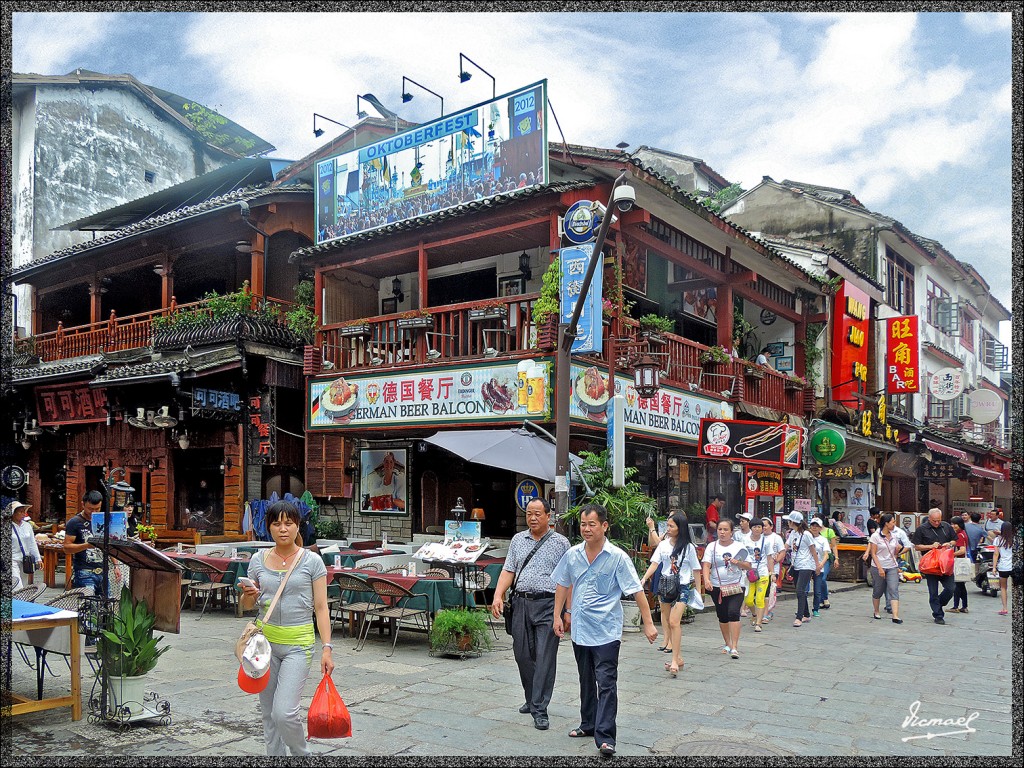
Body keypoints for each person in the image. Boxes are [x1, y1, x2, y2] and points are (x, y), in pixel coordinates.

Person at [552, 503, 657, 758]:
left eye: (592, 524)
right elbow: (563, 584)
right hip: (580, 629)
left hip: (607, 632)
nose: (586, 529)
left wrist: (649, 622)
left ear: (604, 526)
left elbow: (636, 590)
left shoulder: (617, 557)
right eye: (583, 525)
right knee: (586, 680)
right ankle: (588, 724)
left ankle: (606, 737)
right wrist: (558, 615)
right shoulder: (573, 554)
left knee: (606, 683)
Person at [239, 500, 334, 756]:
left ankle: (302, 755)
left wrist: (327, 647)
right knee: (269, 715)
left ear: (297, 526)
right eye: (277, 523)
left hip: (298, 645)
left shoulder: (312, 561)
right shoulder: (258, 560)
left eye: (289, 523)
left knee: (284, 713)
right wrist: (249, 593)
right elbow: (248, 605)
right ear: (268, 527)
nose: (283, 529)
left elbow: (322, 607)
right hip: (264, 646)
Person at [490, 498, 570, 730]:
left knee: (545, 657)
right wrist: (498, 595)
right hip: (521, 603)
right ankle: (531, 697)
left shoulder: (560, 543)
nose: (532, 518)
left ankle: (540, 707)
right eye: (529, 514)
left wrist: (568, 611)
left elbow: (568, 578)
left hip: (548, 605)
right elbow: (509, 570)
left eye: (537, 514)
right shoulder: (518, 540)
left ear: (548, 516)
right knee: (522, 654)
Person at [641, 512, 701, 677]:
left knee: (674, 622)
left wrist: (698, 591)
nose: (668, 529)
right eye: (667, 525)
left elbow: (696, 569)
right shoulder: (663, 545)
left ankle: (674, 660)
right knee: (667, 620)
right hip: (666, 584)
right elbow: (655, 563)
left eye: (671, 526)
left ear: (680, 528)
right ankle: (679, 657)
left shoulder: (689, 547)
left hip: (683, 585)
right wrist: (644, 578)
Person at [701, 518, 751, 659]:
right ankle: (727, 643)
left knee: (733, 612)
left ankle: (735, 647)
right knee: (722, 615)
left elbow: (749, 565)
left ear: (731, 532)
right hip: (717, 586)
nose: (722, 532)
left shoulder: (739, 546)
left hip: (736, 584)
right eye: (720, 529)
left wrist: (739, 562)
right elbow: (706, 565)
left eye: (725, 530)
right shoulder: (712, 546)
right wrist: (707, 580)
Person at [911, 508, 957, 625]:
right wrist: (931, 546)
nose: (937, 523)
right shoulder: (922, 529)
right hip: (930, 565)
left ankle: (938, 603)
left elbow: (954, 540)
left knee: (951, 588)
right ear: (929, 518)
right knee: (933, 591)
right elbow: (916, 546)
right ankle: (938, 614)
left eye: (938, 520)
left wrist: (950, 543)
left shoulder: (946, 526)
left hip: (945, 563)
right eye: (934, 521)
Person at [63, 490, 106, 595]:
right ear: (83, 504)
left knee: (106, 605)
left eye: (97, 509)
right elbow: (66, 548)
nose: (94, 512)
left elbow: (109, 544)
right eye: (91, 509)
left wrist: (116, 566)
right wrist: (87, 545)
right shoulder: (75, 522)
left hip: (103, 570)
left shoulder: (103, 520)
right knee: (88, 605)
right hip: (84, 571)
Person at [785, 512, 821, 627]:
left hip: (806, 565)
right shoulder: (792, 533)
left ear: (793, 522)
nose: (788, 522)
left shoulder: (806, 534)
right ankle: (806, 613)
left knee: (800, 590)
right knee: (799, 590)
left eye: (789, 521)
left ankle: (799, 617)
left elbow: (813, 550)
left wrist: (817, 565)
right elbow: (786, 547)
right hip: (796, 565)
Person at [868, 513, 904, 624]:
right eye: (893, 522)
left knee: (894, 589)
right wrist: (879, 568)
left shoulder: (895, 535)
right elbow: (873, 553)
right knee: (878, 590)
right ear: (886, 523)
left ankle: (895, 615)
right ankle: (876, 611)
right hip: (878, 566)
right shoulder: (875, 536)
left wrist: (898, 550)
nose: (894, 524)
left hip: (892, 566)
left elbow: (895, 552)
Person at [743, 519, 776, 632]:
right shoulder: (745, 540)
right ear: (750, 528)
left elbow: (769, 558)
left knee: (760, 598)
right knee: (748, 599)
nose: (757, 529)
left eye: (759, 527)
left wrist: (772, 573)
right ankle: (754, 614)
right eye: (754, 527)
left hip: (762, 573)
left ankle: (759, 623)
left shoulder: (766, 541)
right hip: (749, 573)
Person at [8, 501, 42, 590]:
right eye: (20, 512)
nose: (23, 514)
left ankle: (19, 602)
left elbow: (32, 543)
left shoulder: (27, 526)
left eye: (24, 511)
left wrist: (38, 558)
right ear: (13, 513)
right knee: (17, 586)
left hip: (25, 560)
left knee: (23, 585)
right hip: (12, 560)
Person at [760, 517, 786, 623]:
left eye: (765, 525)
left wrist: (774, 562)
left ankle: (767, 612)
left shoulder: (776, 538)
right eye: (762, 526)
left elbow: (782, 552)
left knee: (769, 592)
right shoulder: (758, 537)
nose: (763, 528)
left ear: (771, 526)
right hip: (760, 569)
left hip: (772, 569)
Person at [990, 522, 1013, 616]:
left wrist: (994, 567)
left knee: (1003, 587)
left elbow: (996, 554)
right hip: (1015, 566)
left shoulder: (998, 540)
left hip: (1003, 566)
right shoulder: (1016, 539)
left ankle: (1004, 608)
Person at [817, 514, 839, 610]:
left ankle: (825, 598)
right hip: (814, 558)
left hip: (826, 557)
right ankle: (821, 600)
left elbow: (834, 546)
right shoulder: (811, 532)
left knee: (822, 577)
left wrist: (836, 558)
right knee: (818, 579)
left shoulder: (829, 531)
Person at [809, 519, 831, 617]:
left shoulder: (823, 540)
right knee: (804, 590)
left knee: (817, 590)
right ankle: (803, 608)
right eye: (813, 525)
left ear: (820, 528)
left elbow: (826, 554)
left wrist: (821, 564)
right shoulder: (806, 537)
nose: (814, 527)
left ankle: (816, 608)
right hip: (807, 566)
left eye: (817, 526)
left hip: (819, 567)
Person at [948, 516, 970, 614]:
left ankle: (956, 606)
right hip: (962, 563)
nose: (953, 526)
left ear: (960, 524)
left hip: (959, 563)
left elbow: (962, 550)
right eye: (952, 524)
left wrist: (950, 555)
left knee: (957, 586)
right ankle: (964, 606)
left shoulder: (960, 535)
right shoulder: (963, 533)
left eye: (955, 524)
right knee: (961, 586)